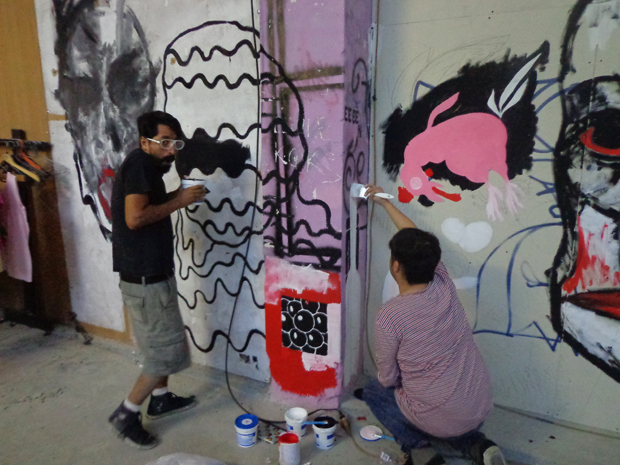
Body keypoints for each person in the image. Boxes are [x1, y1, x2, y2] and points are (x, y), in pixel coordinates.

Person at [361, 184, 506, 465]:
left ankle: (421, 450)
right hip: (478, 405)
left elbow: (388, 379)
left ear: (395, 267)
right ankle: (477, 445)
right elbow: (415, 236)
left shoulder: (390, 316)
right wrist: (386, 204)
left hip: (439, 415)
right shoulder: (441, 281)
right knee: (445, 408)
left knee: (374, 391)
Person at [108, 111, 207, 449]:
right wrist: (179, 201)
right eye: (164, 142)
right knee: (164, 354)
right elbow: (135, 218)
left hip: (150, 275)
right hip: (145, 279)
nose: (170, 151)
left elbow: (149, 205)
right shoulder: (140, 165)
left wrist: (177, 193)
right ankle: (126, 413)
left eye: (175, 143)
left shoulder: (146, 166)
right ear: (144, 142)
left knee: (163, 343)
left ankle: (161, 399)